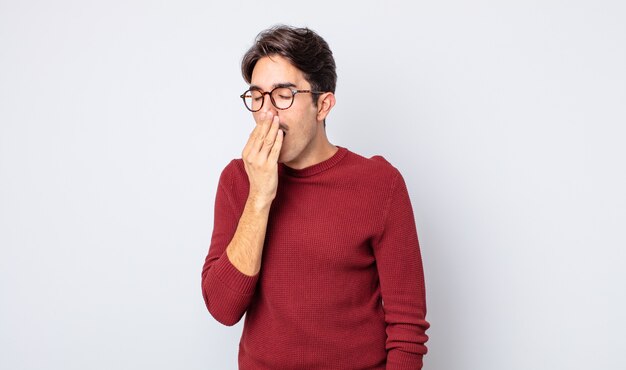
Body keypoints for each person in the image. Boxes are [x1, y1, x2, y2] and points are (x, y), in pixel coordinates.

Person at [201, 25, 430, 369]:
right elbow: (223, 308)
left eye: (283, 95)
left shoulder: (380, 184)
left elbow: (407, 329)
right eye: (258, 96)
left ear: (323, 105)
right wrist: (260, 196)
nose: (267, 113)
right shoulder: (238, 180)